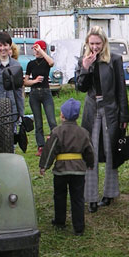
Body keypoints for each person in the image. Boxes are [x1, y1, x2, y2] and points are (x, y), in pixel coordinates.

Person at [76, 26, 129, 214]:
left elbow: (121, 89)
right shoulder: (83, 60)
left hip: (110, 109)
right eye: (92, 44)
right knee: (91, 153)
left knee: (110, 151)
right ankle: (91, 197)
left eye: (98, 43)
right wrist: (85, 68)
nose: (95, 47)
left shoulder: (114, 59)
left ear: (104, 43)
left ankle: (110, 192)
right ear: (87, 44)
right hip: (92, 110)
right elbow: (81, 88)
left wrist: (124, 115)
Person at [39, 98, 95, 236]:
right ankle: (79, 227)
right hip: (78, 172)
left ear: (62, 115)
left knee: (59, 196)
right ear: (77, 116)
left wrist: (44, 166)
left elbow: (50, 150)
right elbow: (89, 150)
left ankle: (60, 222)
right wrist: (90, 164)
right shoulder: (83, 132)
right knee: (78, 198)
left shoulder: (57, 132)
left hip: (61, 171)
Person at [0, 31, 24, 139]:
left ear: (9, 46)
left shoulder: (16, 65)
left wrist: (20, 114)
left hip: (11, 109)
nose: (2, 48)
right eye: (0, 45)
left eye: (5, 45)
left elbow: (18, 91)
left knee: (10, 138)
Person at [24, 40, 57, 156]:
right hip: (34, 94)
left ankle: (55, 144)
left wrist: (42, 51)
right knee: (38, 122)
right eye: (34, 49)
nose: (36, 51)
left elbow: (52, 63)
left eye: (38, 48)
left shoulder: (46, 62)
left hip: (46, 93)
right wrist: (34, 81)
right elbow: (26, 81)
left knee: (52, 120)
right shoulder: (30, 64)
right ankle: (41, 146)